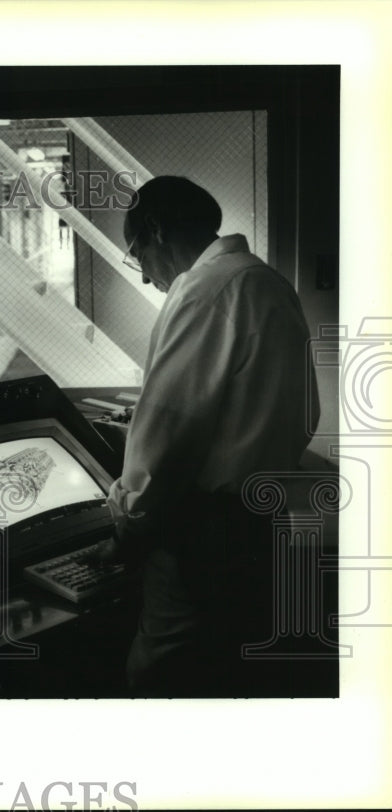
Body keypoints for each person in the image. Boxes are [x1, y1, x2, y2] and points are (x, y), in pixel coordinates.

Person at [96, 176, 319, 696]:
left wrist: (126, 529)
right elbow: (301, 411)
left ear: (155, 229)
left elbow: (167, 436)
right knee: (231, 670)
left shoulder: (201, 291)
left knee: (161, 676)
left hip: (201, 532)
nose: (147, 279)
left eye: (136, 254)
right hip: (261, 520)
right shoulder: (266, 282)